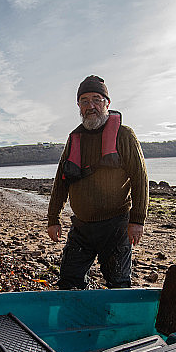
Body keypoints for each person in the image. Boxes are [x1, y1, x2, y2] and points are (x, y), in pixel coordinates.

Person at [47, 75, 148, 289]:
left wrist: (137, 220)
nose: (90, 106)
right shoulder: (74, 138)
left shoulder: (124, 135)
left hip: (116, 226)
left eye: (96, 99)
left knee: (118, 285)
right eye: (84, 101)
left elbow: (140, 178)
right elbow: (61, 181)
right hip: (81, 227)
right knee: (68, 283)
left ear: (107, 103)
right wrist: (53, 218)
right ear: (78, 106)